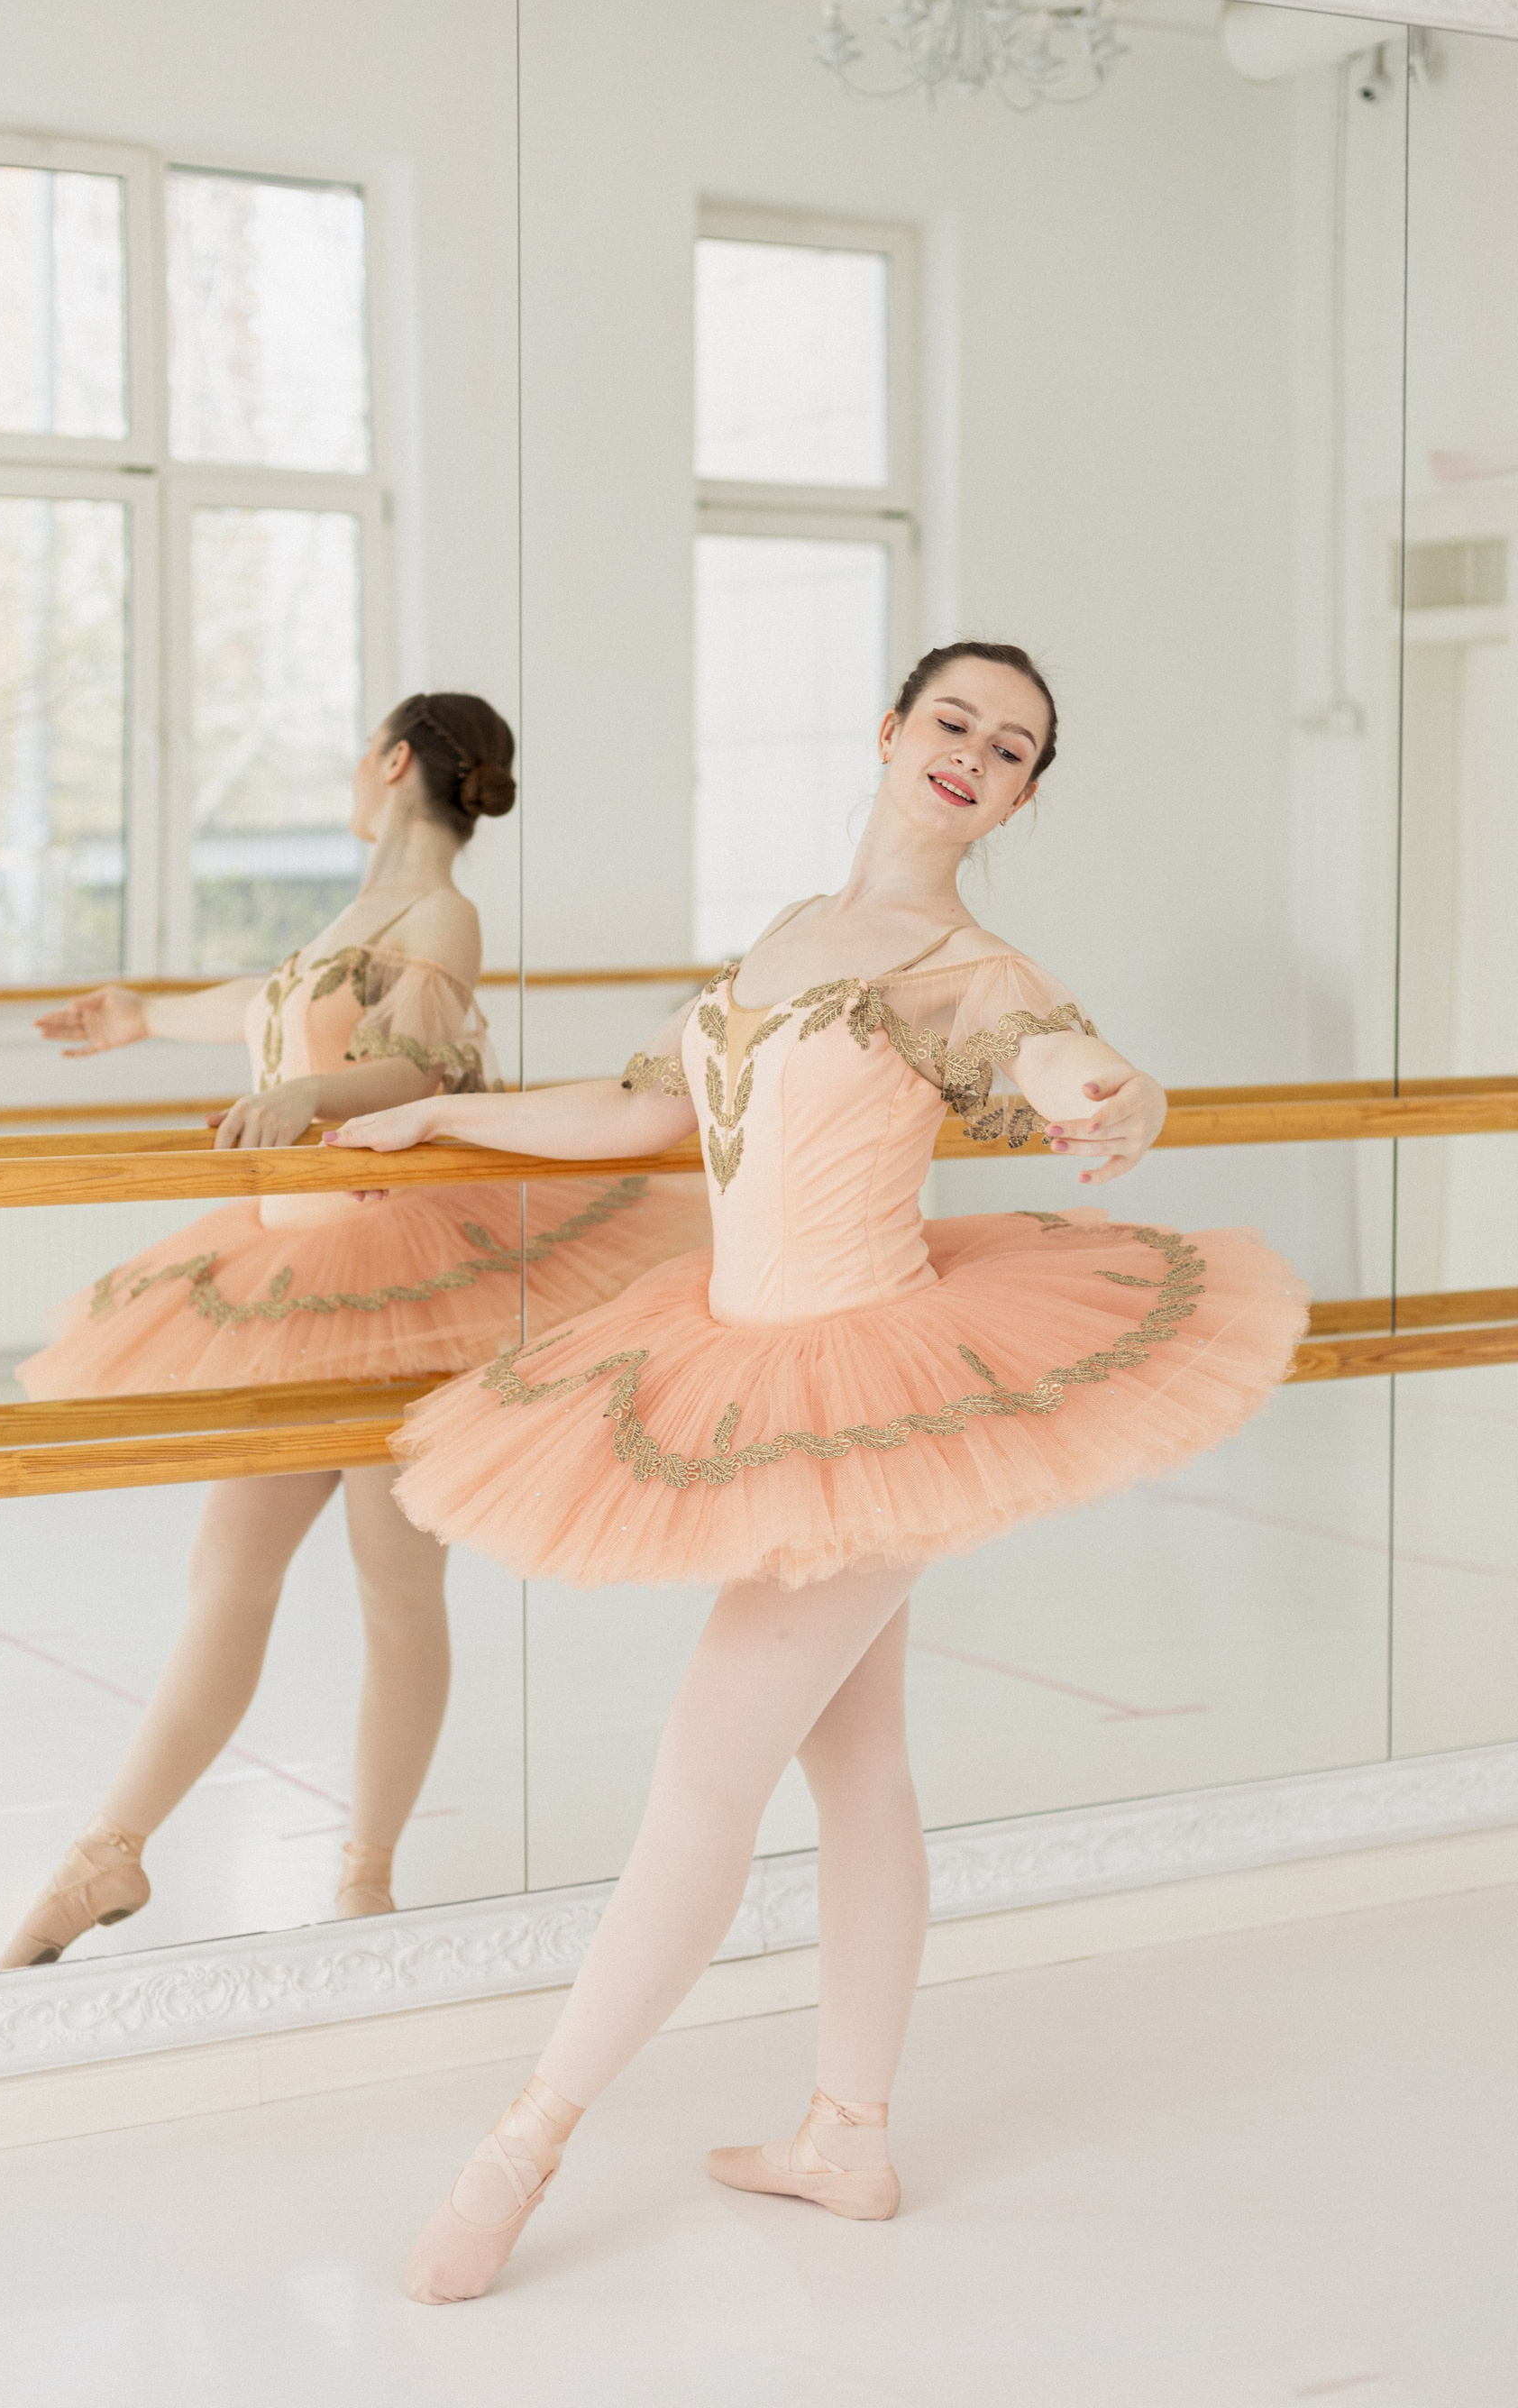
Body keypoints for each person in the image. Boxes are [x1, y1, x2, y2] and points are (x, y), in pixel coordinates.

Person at [325, 643, 1309, 2303]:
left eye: (1013, 749)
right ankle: (847, 2136)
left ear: (1021, 797)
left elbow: (1067, 1061)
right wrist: (431, 1125)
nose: (976, 753)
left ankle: (522, 2148)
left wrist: (1120, 1097)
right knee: (860, 1769)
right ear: (892, 730)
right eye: (955, 721)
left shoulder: (969, 966)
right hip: (753, 1368)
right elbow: (642, 1113)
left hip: (875, 1387)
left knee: (702, 1779)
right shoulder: (790, 933)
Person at [0, 692, 706, 1970]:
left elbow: (417, 1072)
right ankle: (112, 1849)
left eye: (357, 754)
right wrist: (145, 1015)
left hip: (401, 1276)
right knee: (229, 1570)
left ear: (390, 761)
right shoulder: (353, 920)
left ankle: (365, 1875)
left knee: (394, 1584)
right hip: (293, 1283)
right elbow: (273, 1001)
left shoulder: (442, 914)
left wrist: (312, 1093)